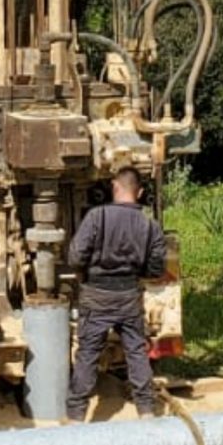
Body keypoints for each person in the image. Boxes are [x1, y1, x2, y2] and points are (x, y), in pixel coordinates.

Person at [64, 165, 169, 422]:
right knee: (136, 351)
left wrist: (87, 271)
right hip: (130, 295)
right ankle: (146, 411)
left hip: (96, 294)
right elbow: (156, 268)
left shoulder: (96, 217)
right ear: (140, 191)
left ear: (114, 187)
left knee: (88, 354)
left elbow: (75, 256)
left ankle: (76, 416)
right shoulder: (150, 225)